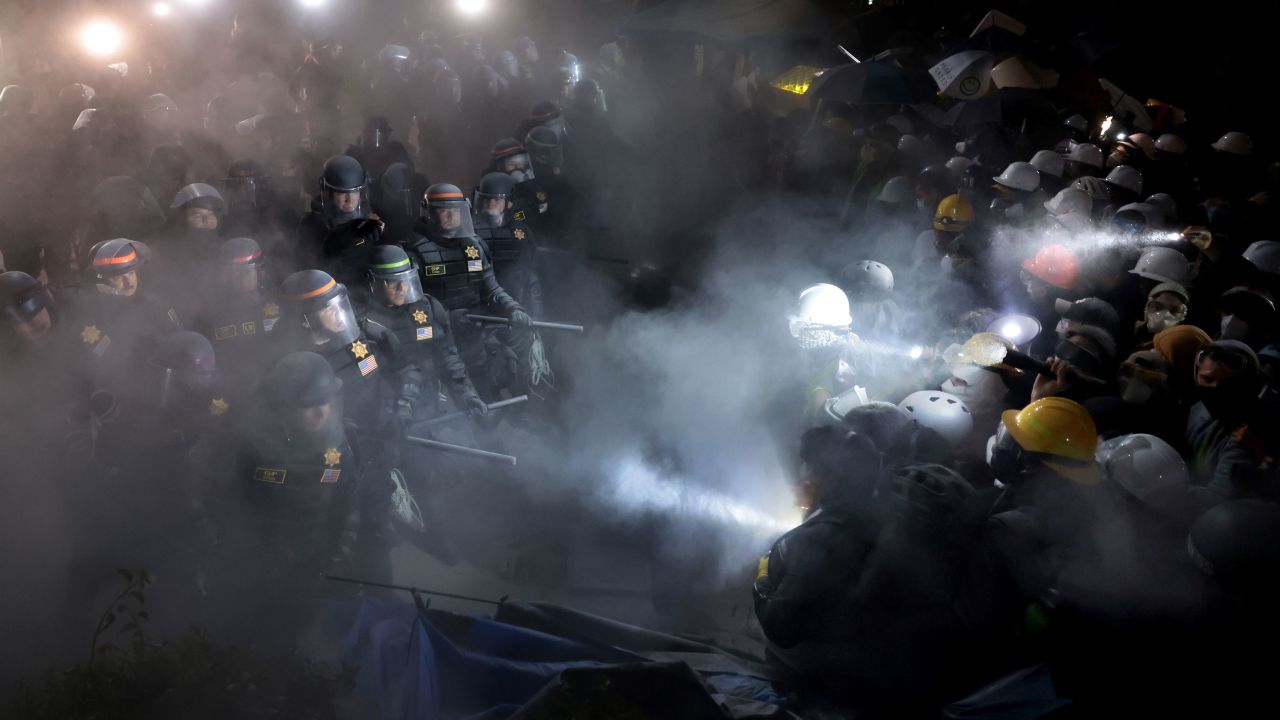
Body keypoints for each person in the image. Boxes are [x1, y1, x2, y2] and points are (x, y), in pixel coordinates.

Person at [403, 183, 533, 396]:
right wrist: (448, 320)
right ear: (429, 212)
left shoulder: (474, 247)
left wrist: (513, 309)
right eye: (443, 210)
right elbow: (410, 309)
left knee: (495, 380)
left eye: (455, 210)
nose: (450, 215)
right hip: (436, 342)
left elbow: (491, 289)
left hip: (475, 334)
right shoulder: (414, 251)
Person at [358, 244, 486, 421]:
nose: (402, 288)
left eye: (406, 278)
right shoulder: (362, 324)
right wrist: (393, 414)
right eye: (392, 281)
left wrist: (467, 395)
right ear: (372, 281)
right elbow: (369, 378)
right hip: (389, 416)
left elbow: (447, 356)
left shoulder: (426, 309)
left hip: (431, 405)